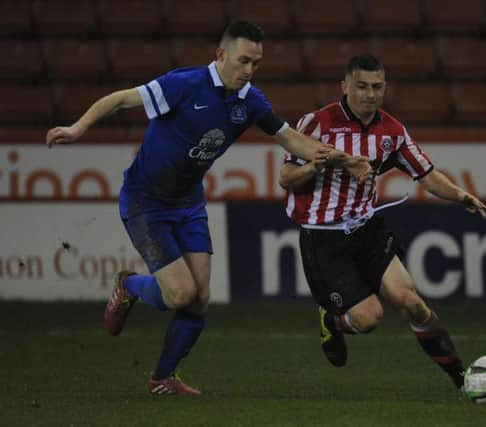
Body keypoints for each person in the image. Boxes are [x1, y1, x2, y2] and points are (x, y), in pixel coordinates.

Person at [45, 21, 371, 396]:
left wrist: (346, 160)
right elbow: (119, 100)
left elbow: (292, 140)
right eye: (243, 61)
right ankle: (129, 285)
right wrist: (77, 128)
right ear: (221, 56)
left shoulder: (250, 101)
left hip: (188, 203)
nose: (249, 70)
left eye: (256, 63)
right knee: (181, 295)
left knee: (199, 299)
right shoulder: (183, 85)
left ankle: (161, 379)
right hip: (145, 203)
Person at [279, 54, 486, 391]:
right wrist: (317, 165)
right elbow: (286, 178)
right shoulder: (316, 124)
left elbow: (428, 175)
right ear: (345, 86)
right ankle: (331, 319)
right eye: (361, 86)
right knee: (369, 318)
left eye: (377, 87)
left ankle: (462, 379)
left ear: (385, 88)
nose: (369, 94)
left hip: (367, 228)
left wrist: (461, 195)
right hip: (324, 238)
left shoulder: (392, 130)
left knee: (412, 303)